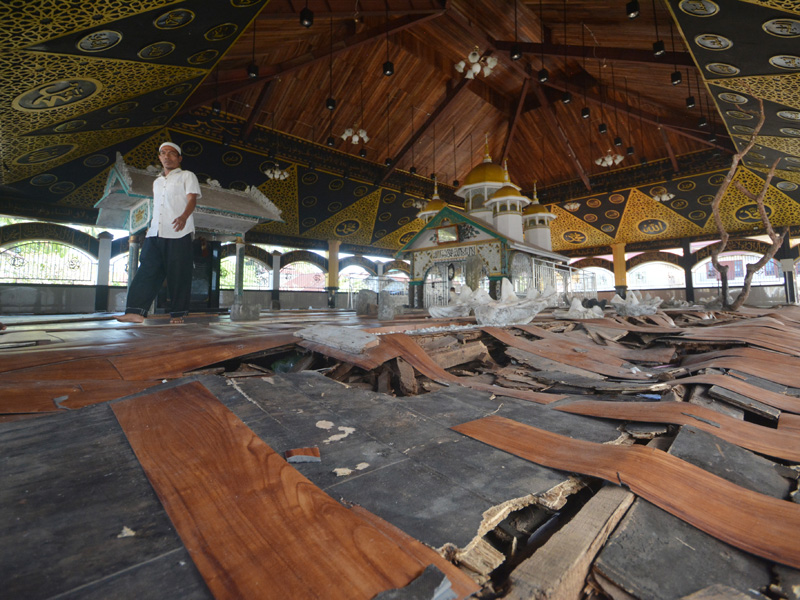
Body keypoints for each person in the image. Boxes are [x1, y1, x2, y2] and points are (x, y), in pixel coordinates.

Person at [117, 141, 201, 324]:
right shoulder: (157, 182)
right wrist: (151, 226)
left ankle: (178, 313)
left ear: (179, 158)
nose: (167, 156)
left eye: (171, 153)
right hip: (155, 232)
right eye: (163, 153)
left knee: (178, 274)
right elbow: (158, 207)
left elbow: (192, 199)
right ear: (159, 157)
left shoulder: (187, 176)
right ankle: (135, 311)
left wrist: (184, 216)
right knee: (147, 270)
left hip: (179, 231)